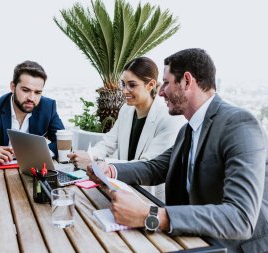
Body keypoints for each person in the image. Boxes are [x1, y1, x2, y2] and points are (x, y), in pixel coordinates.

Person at [87, 49, 268, 252]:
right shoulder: (189, 130)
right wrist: (110, 171)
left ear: (187, 81)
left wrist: (151, 215)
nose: (160, 92)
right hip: (203, 240)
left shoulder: (238, 125)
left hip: (247, 247)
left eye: (166, 83)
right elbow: (156, 168)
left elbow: (240, 218)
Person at [69, 57, 185, 199]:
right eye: (123, 84)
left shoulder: (169, 118)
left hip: (148, 197)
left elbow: (147, 166)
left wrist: (98, 163)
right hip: (122, 190)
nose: (124, 91)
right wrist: (89, 156)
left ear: (150, 85)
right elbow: (109, 142)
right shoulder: (126, 110)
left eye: (132, 85)